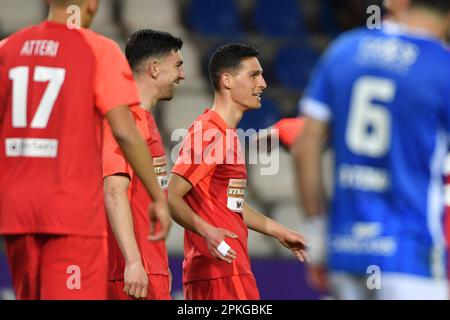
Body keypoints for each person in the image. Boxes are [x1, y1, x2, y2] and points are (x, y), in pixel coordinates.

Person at [0, 0, 171, 300]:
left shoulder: (8, 49)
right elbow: (125, 131)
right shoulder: (98, 50)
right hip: (70, 212)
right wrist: (157, 195)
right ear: (92, 4)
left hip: (17, 212)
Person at [294, 0, 450, 299]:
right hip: (410, 257)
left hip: (345, 251)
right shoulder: (442, 66)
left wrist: (317, 234)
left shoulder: (344, 50)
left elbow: (306, 146)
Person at [168, 43, 309, 300]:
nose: (263, 83)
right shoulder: (210, 132)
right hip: (221, 271)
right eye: (254, 75)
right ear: (227, 80)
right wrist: (209, 232)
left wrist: (280, 231)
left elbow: (228, 204)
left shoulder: (226, 134)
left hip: (219, 269)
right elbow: (172, 196)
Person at [103, 29, 185, 300]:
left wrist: (157, 265)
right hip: (132, 276)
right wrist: (134, 262)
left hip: (150, 270)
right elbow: (114, 189)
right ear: (154, 68)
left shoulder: (144, 120)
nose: (182, 75)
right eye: (178, 66)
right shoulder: (127, 119)